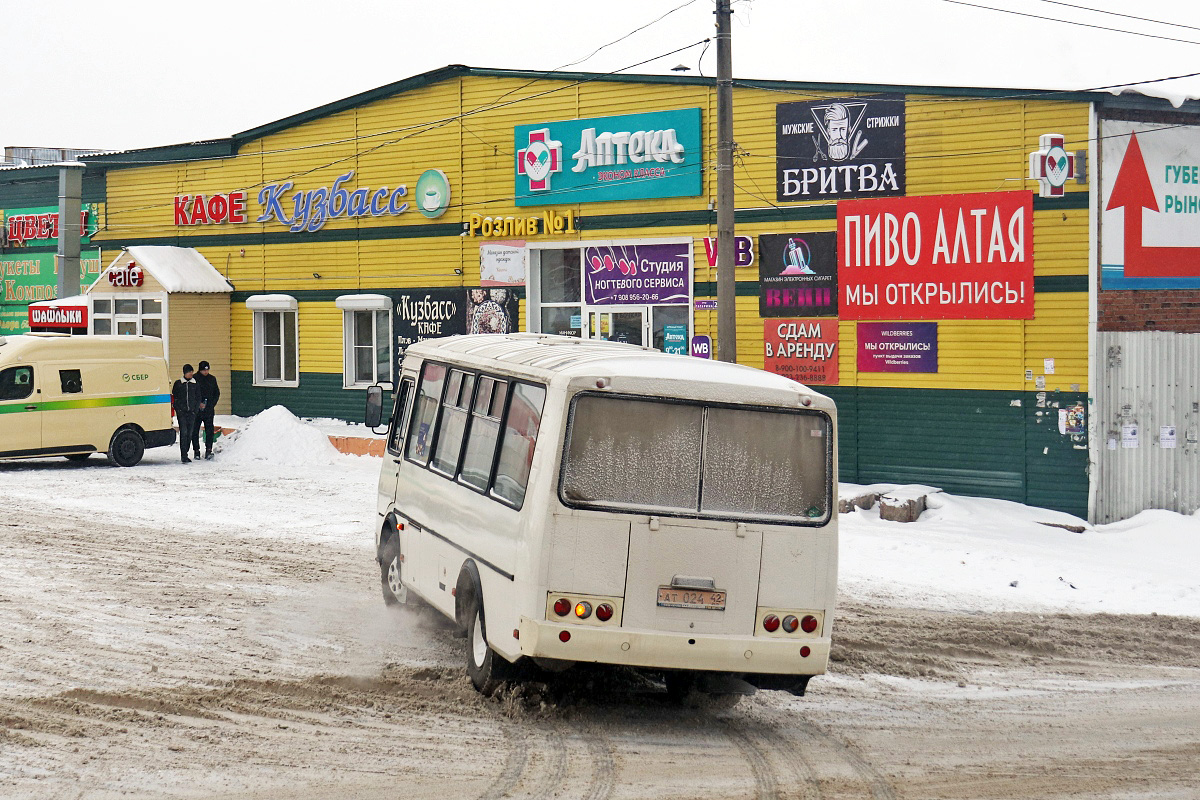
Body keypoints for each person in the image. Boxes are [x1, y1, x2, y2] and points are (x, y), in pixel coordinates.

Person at [172, 364, 201, 463]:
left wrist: (195, 410)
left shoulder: (195, 384)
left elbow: (198, 398)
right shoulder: (179, 383)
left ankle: (186, 451)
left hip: (192, 413)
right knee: (183, 433)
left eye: (192, 372)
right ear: (185, 373)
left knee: (190, 433)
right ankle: (183, 454)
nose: (191, 374)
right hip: (182, 413)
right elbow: (175, 398)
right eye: (189, 372)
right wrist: (178, 409)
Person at [195, 360, 220, 459]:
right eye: (204, 370)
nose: (206, 372)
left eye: (207, 370)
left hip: (209, 409)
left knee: (209, 430)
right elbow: (193, 394)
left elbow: (216, 393)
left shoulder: (212, 379)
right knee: (195, 430)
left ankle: (208, 450)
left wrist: (211, 404)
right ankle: (196, 451)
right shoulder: (195, 379)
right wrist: (198, 404)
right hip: (197, 410)